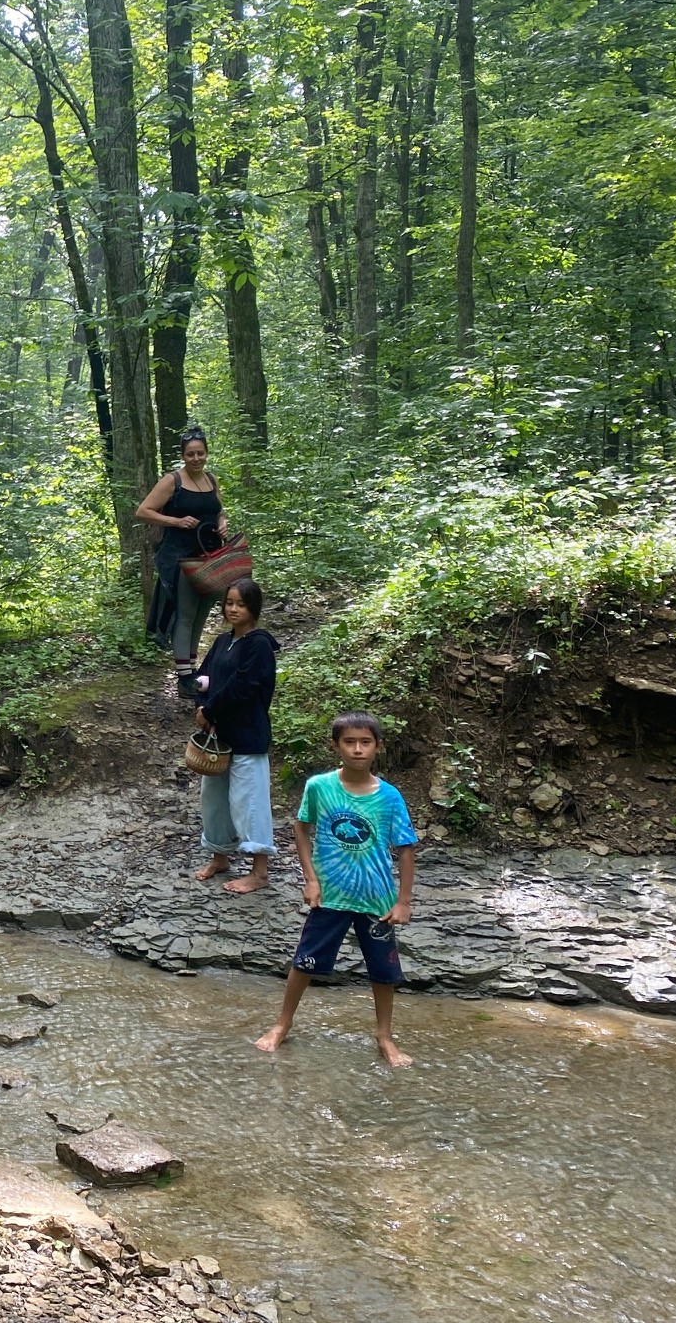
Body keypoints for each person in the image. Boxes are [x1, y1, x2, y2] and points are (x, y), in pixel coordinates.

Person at [254, 711, 418, 1068]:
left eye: (365, 742)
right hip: (330, 895)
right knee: (305, 961)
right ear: (335, 746)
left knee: (384, 971)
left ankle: (385, 1036)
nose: (358, 749)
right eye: (349, 742)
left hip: (376, 899)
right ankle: (282, 1023)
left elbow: (406, 850)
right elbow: (302, 829)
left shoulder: (390, 797)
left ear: (378, 747)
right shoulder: (319, 787)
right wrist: (311, 879)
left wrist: (404, 902)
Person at [191, 576, 279, 894]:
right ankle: (220, 857)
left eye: (241, 604)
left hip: (247, 735)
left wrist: (210, 710)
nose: (233, 609)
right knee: (213, 800)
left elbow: (243, 687)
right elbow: (203, 677)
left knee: (248, 802)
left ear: (253, 607)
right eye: (229, 603)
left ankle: (259, 871)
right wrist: (201, 706)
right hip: (219, 737)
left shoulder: (259, 645)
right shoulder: (221, 642)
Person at [135, 427, 231, 681]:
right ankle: (184, 676)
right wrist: (175, 521)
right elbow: (143, 511)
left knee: (201, 614)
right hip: (181, 557)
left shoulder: (211, 479)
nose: (196, 458)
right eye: (190, 454)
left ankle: (192, 668)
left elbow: (219, 510)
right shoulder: (172, 481)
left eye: (200, 453)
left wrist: (223, 522)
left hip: (210, 555)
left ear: (206, 453)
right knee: (186, 615)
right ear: (183, 456)